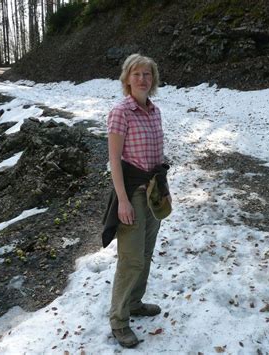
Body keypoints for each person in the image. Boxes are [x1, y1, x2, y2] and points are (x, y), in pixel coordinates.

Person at [102, 53, 172, 348]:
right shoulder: (121, 112)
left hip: (154, 191)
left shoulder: (154, 111)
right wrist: (123, 201)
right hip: (131, 192)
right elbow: (114, 161)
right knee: (130, 259)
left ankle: (134, 302)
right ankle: (119, 321)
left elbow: (155, 153)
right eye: (137, 74)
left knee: (145, 252)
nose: (143, 79)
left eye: (147, 74)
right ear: (127, 79)